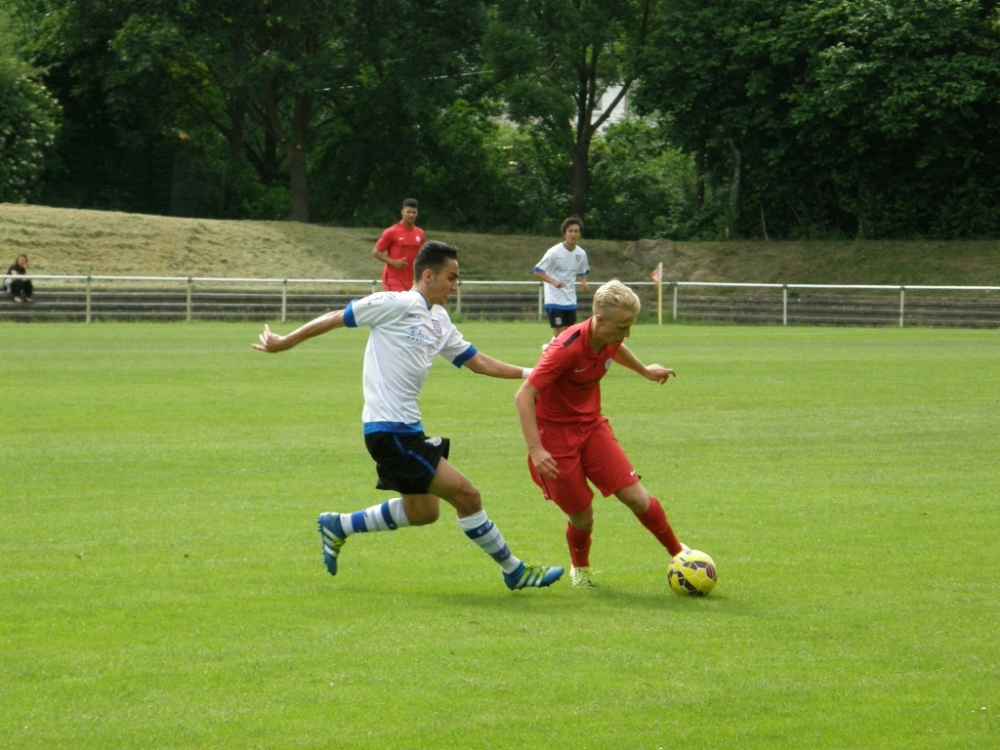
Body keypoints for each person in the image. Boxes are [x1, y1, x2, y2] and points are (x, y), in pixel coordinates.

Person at [254, 240, 564, 591]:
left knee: (423, 512)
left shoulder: (438, 319)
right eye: (451, 277)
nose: (455, 286)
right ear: (428, 275)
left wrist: (532, 374)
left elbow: (477, 362)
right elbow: (338, 317)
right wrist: (286, 342)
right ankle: (515, 570)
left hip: (407, 430)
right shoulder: (396, 303)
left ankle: (338, 525)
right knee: (467, 496)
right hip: (389, 431)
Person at [514, 280, 687, 589]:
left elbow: (616, 347)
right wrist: (536, 450)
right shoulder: (564, 350)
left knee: (637, 497)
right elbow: (523, 395)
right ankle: (580, 569)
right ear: (600, 320)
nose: (627, 333)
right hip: (553, 438)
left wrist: (645, 371)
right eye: (622, 326)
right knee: (583, 516)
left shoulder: (610, 336)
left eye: (630, 326)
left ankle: (680, 555)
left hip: (592, 427)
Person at [533, 216, 589, 350]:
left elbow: (582, 271)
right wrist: (553, 282)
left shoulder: (581, 254)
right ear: (564, 233)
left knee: (569, 334)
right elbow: (538, 271)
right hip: (554, 299)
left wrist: (584, 282)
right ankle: (553, 360)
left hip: (570, 300)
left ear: (580, 234)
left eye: (576, 231)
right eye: (570, 231)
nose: (573, 234)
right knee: (560, 333)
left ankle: (549, 349)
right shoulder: (554, 252)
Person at [372, 198, 425, 292]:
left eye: (414, 212)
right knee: (397, 305)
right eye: (408, 212)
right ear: (402, 212)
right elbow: (376, 252)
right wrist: (393, 262)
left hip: (412, 279)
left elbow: (422, 255)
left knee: (411, 306)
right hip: (394, 279)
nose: (411, 215)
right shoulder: (392, 232)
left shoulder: (420, 233)